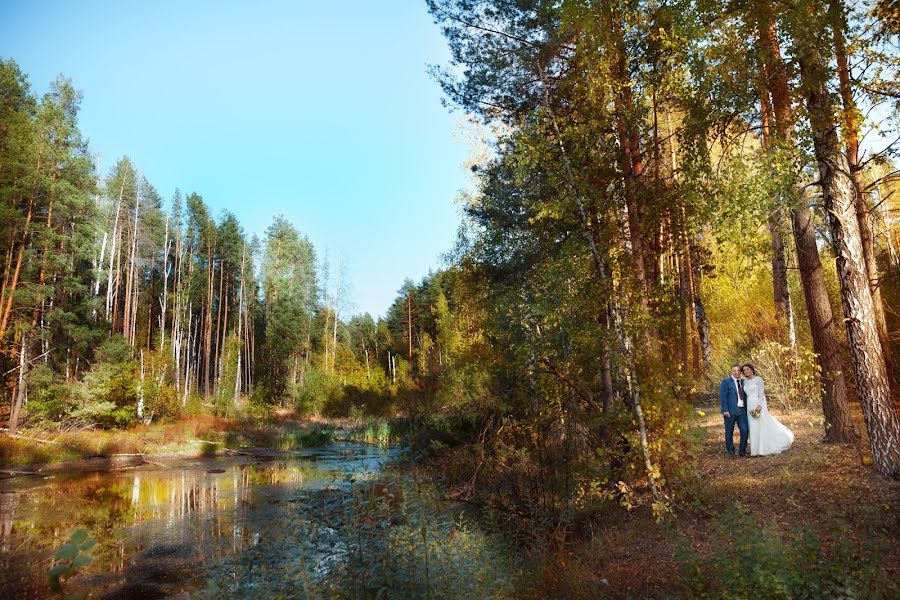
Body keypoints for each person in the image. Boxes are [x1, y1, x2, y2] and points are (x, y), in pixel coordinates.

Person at [742, 364, 794, 456]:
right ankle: (755, 450)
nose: (746, 371)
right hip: (749, 405)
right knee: (752, 426)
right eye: (744, 370)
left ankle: (763, 449)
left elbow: (761, 393)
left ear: (752, 370)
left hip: (758, 404)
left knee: (760, 424)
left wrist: (759, 405)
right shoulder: (744, 382)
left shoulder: (758, 379)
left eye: (747, 369)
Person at [719, 365, 749, 458]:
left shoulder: (743, 382)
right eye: (734, 370)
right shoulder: (726, 382)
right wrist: (725, 410)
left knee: (745, 430)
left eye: (738, 370)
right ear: (731, 371)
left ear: (740, 372)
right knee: (729, 432)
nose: (736, 372)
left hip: (742, 411)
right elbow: (723, 397)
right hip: (730, 412)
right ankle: (731, 452)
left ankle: (742, 451)